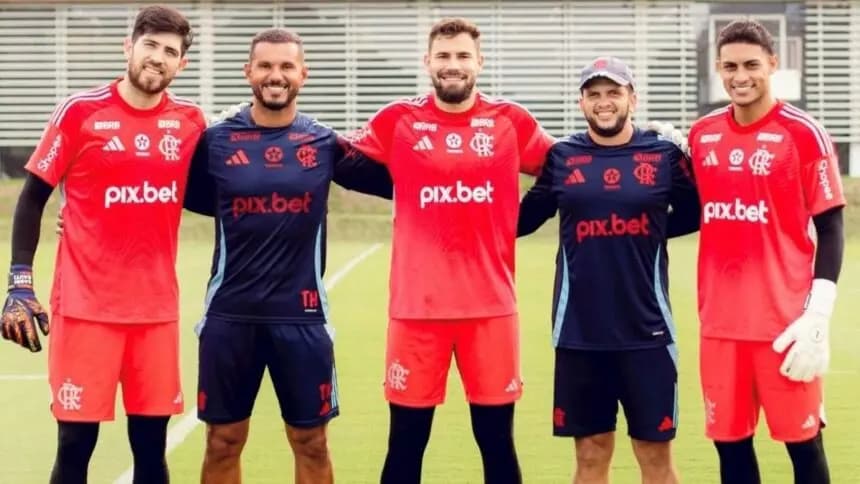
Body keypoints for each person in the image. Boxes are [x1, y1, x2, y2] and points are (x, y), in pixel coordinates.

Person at [0, 5, 205, 484]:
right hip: (85, 311)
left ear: (182, 65)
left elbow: (225, 189)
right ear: (128, 47)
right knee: (75, 446)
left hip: (154, 315)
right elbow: (31, 201)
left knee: (152, 450)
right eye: (150, 45)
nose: (158, 58)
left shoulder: (192, 123)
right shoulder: (80, 112)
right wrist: (19, 283)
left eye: (170, 51)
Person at [346, 18, 556, 484]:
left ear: (479, 63)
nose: (453, 65)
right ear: (427, 63)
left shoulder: (510, 122)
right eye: (443, 56)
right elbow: (343, 162)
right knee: (405, 441)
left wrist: (518, 221)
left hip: (491, 310)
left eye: (462, 56)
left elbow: (561, 166)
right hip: (416, 310)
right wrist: (399, 185)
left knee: (497, 441)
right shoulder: (398, 119)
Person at [182, 29, 392, 484]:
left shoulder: (323, 144)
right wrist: (80, 215)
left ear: (303, 74)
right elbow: (158, 191)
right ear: (248, 72)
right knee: (222, 441)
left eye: (286, 67)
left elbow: (405, 185)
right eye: (265, 66)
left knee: (311, 443)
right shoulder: (215, 141)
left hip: (302, 318)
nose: (275, 76)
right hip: (229, 317)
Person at [517, 57, 699, 484]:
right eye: (594, 94)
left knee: (655, 459)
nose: (604, 102)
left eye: (614, 92)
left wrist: (648, 233)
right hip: (580, 334)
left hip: (648, 333)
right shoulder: (563, 157)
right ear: (582, 103)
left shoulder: (663, 155)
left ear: (631, 98)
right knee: (590, 457)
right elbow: (520, 221)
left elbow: (696, 213)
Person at [687, 19, 845, 484]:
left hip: (784, 328)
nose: (741, 76)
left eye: (752, 65)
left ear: (773, 64)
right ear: (718, 68)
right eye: (730, 66)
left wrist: (818, 315)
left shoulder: (803, 134)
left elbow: (831, 226)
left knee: (804, 446)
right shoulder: (702, 136)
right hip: (719, 327)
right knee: (731, 450)